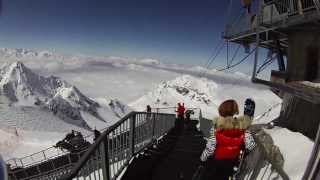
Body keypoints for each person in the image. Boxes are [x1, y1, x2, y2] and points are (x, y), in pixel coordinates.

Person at [199, 99, 256, 180]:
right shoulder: (242, 127)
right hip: (231, 166)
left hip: (215, 165)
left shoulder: (217, 127)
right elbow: (251, 145)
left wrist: (202, 159)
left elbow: (210, 148)